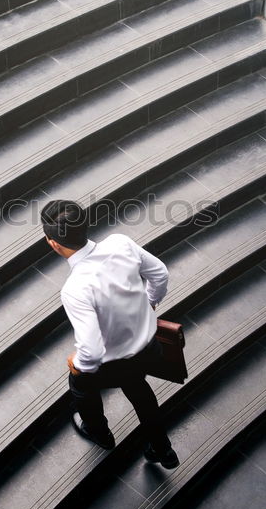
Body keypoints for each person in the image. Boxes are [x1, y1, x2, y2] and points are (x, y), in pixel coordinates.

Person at [40, 199, 179, 469]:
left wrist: (78, 365)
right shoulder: (120, 243)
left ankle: (98, 432)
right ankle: (163, 449)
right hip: (150, 348)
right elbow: (160, 274)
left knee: (80, 384)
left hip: (115, 364)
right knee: (138, 388)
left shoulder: (75, 288)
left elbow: (91, 351)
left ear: (54, 244)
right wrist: (150, 302)